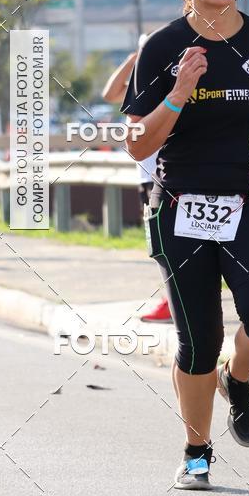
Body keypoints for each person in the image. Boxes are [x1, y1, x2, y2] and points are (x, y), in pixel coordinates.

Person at [120, 0, 249, 490]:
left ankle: (238, 381)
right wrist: (178, 91)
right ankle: (197, 451)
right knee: (198, 341)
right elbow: (137, 143)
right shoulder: (163, 46)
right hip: (179, 208)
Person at [102, 36, 172, 322]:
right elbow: (109, 94)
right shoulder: (139, 86)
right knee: (158, 242)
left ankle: (173, 301)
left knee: (167, 242)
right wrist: (133, 59)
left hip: (165, 173)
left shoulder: (167, 84)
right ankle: (175, 298)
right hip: (146, 174)